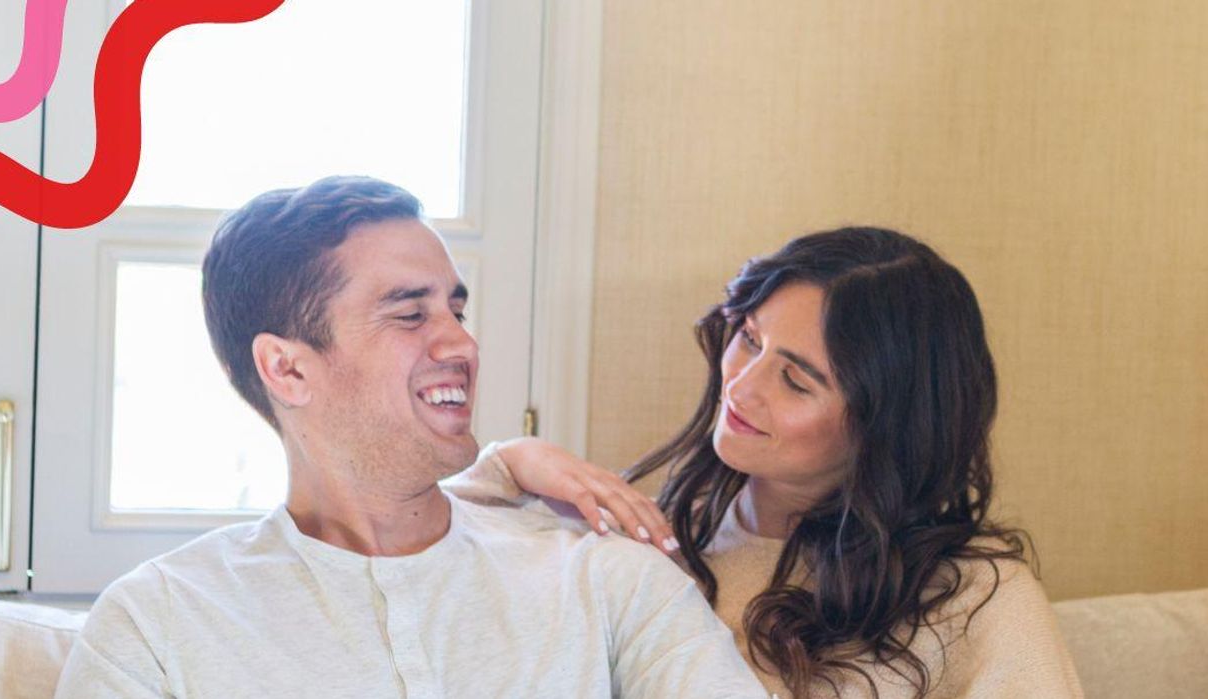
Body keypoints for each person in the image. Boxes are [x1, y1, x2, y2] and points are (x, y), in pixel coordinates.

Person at [54, 176, 766, 698]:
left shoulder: (604, 578)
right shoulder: (157, 622)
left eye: (456, 310)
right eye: (409, 314)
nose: (462, 343)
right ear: (288, 368)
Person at [449, 227, 1085, 698]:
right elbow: (436, 588)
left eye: (797, 381)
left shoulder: (974, 600)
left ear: (886, 428)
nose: (742, 386)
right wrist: (511, 463)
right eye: (749, 339)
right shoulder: (657, 534)